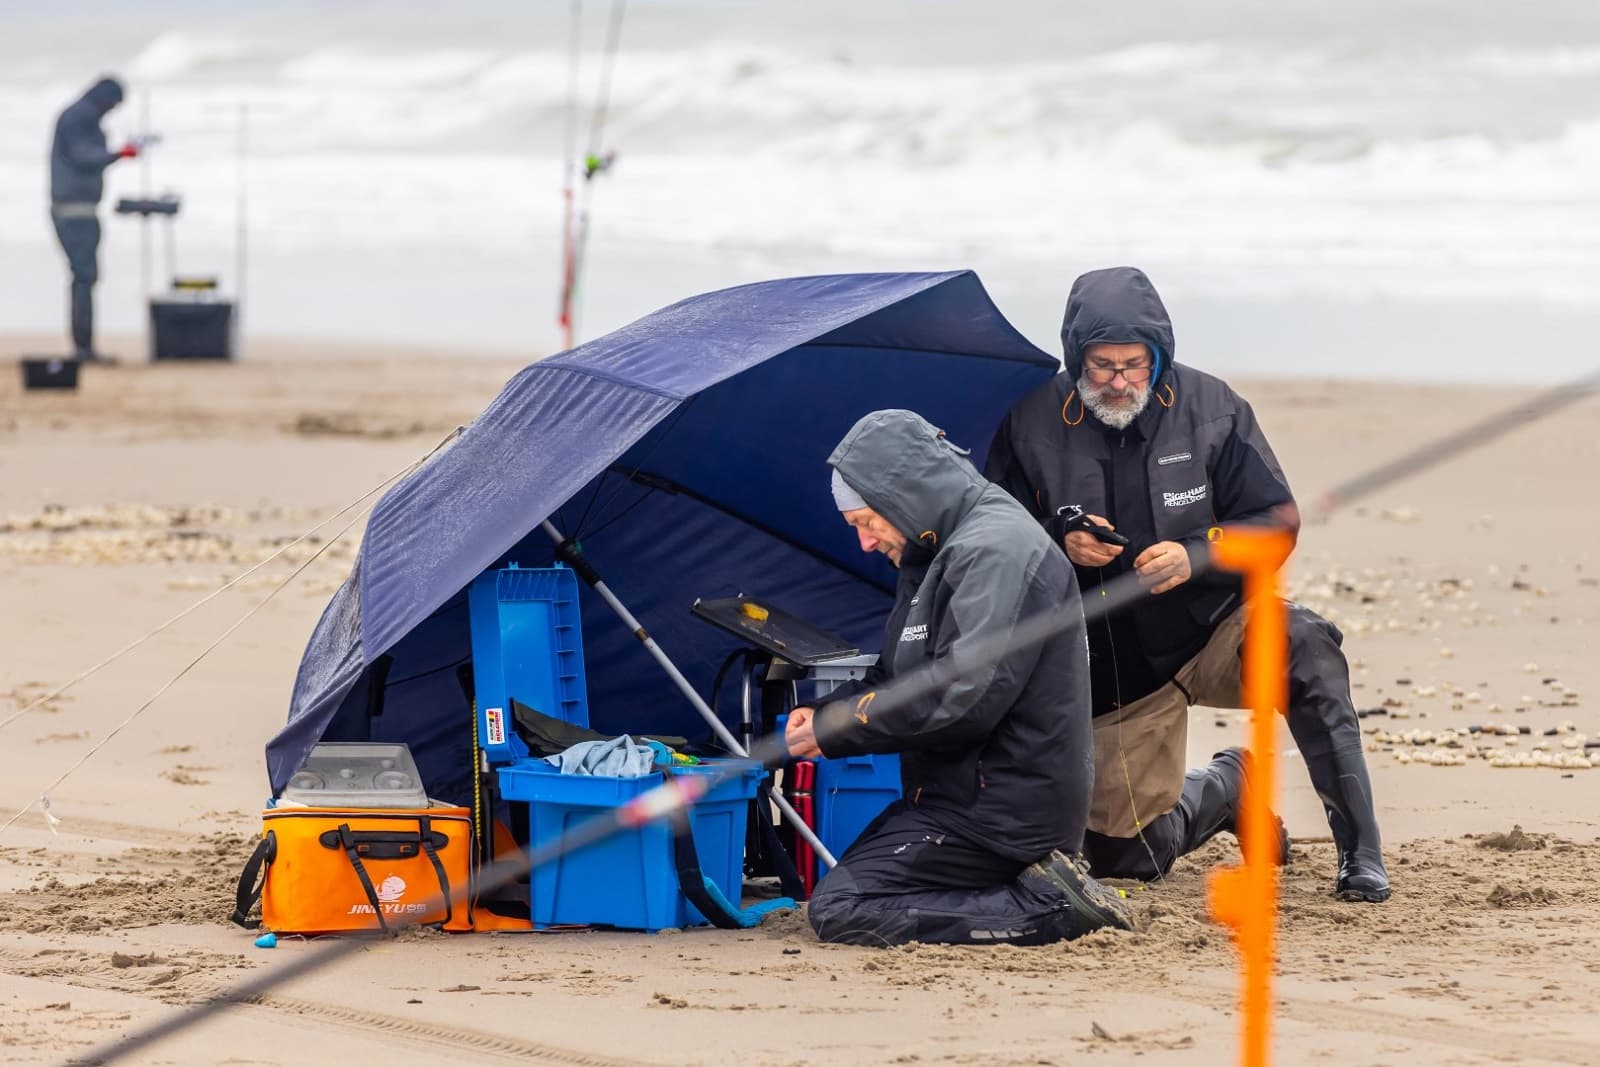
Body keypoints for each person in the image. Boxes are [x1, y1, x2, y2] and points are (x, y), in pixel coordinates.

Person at [983, 266, 1389, 902]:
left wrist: (1199, 554)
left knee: (1305, 644)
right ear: (1075, 357)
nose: (1119, 383)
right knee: (1127, 859)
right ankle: (1231, 785)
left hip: (1216, 628)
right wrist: (1059, 543)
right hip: (1117, 668)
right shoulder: (1030, 421)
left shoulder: (1212, 407)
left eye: (1135, 365)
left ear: (1159, 356)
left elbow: (1275, 523)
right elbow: (993, 535)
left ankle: (1361, 853)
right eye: (1102, 366)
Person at [785, 408, 1134, 946]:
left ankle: (1049, 907)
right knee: (844, 894)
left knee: (842, 907)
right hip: (960, 797)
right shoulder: (935, 549)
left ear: (902, 494)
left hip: (1002, 814)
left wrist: (839, 727)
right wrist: (832, 709)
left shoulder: (995, 549)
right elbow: (897, 674)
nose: (866, 544)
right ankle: (1036, 890)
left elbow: (962, 698)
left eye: (867, 523)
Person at [49, 76, 139, 363]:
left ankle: (84, 345)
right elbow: (83, 157)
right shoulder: (79, 117)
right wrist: (117, 154)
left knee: (85, 276)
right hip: (74, 210)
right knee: (84, 276)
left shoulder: (79, 116)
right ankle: (82, 347)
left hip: (79, 207)